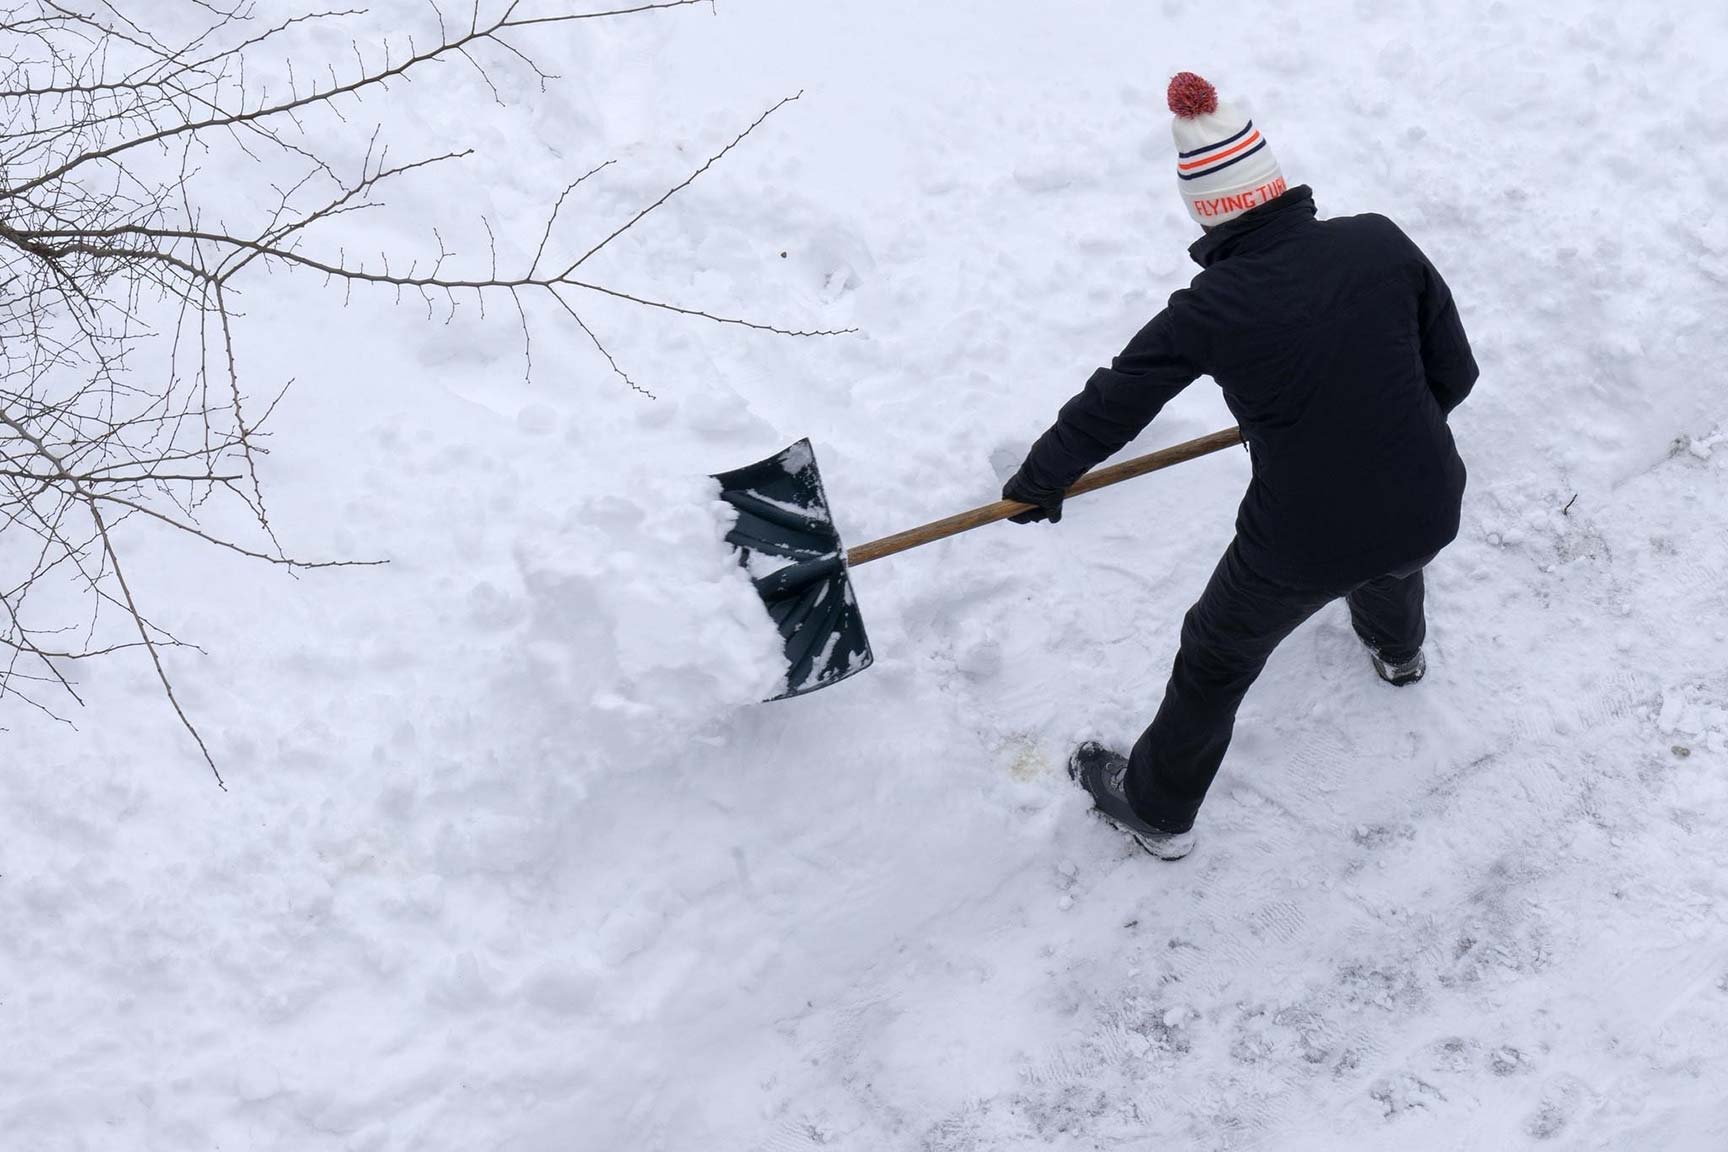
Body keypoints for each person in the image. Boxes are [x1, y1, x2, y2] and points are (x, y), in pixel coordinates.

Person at [1002, 72, 1477, 860]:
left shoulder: (1211, 309)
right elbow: (1453, 373)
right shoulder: (1379, 242)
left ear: (1205, 210)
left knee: (1217, 654)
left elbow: (1115, 402)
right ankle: (1399, 654)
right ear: (1276, 183)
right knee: (1392, 552)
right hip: (1430, 500)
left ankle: (1156, 807)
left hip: (1304, 542)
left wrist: (1040, 479)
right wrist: (1381, 428)